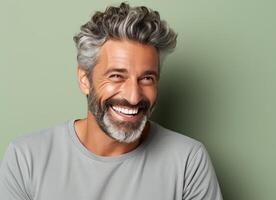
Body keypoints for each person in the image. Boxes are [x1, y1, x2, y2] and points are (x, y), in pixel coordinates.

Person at [0, 3, 223, 200]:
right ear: (85, 79)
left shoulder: (188, 161)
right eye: (117, 76)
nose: (134, 96)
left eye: (147, 78)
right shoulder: (26, 158)